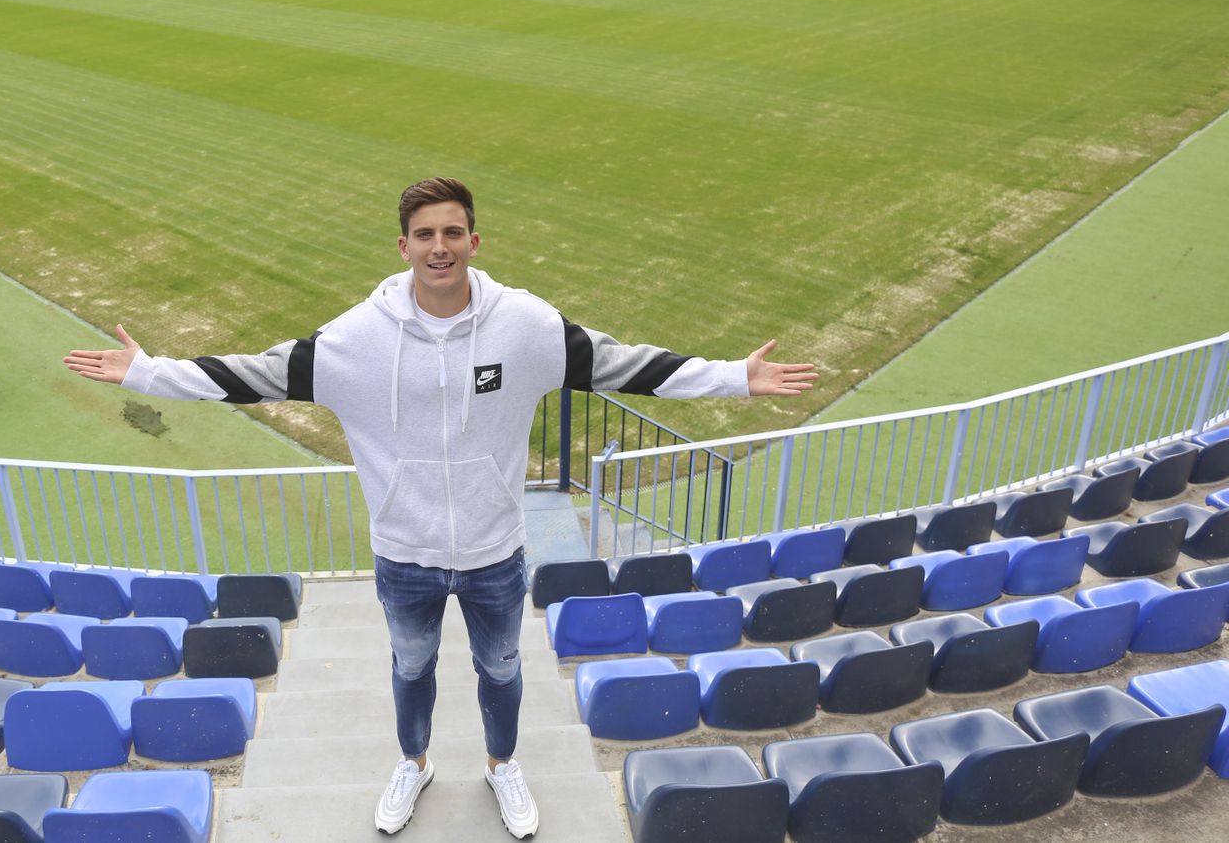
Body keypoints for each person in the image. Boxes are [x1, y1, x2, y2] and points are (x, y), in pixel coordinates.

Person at [63, 177, 816, 839]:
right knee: (411, 667)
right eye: (425, 235)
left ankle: (503, 766)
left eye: (453, 232)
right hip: (404, 553)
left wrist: (733, 377)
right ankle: (413, 764)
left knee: (502, 669)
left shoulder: (526, 325)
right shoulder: (354, 340)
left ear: (473, 241)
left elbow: (624, 364)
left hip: (496, 551)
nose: (439, 247)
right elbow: (250, 375)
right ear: (404, 247)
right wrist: (149, 373)